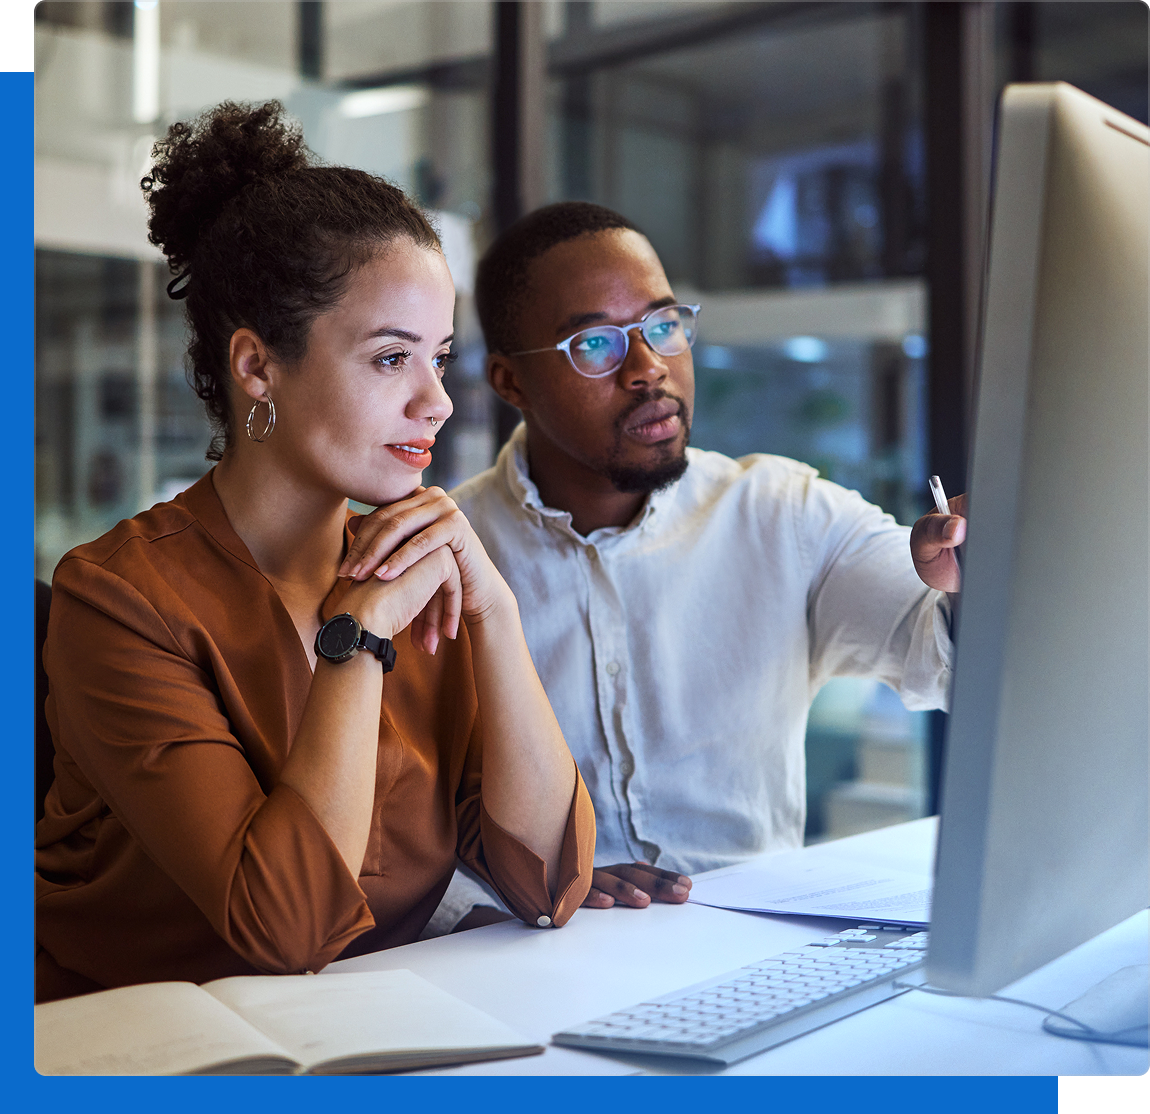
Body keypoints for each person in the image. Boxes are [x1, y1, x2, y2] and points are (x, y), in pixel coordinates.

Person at [34, 104, 594, 1004]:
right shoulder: (118, 598)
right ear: (257, 368)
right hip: (140, 1051)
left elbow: (550, 881)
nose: (436, 403)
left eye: (440, 359)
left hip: (364, 1034)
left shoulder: (422, 568)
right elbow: (285, 927)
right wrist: (356, 638)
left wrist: (496, 614)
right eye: (388, 360)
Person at [404, 201, 963, 927]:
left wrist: (961, 586)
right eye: (596, 345)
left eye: (664, 326)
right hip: (535, 952)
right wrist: (506, 893)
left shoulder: (782, 512)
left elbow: (942, 659)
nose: (648, 368)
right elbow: (394, 830)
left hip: (760, 945)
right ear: (510, 383)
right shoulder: (444, 557)